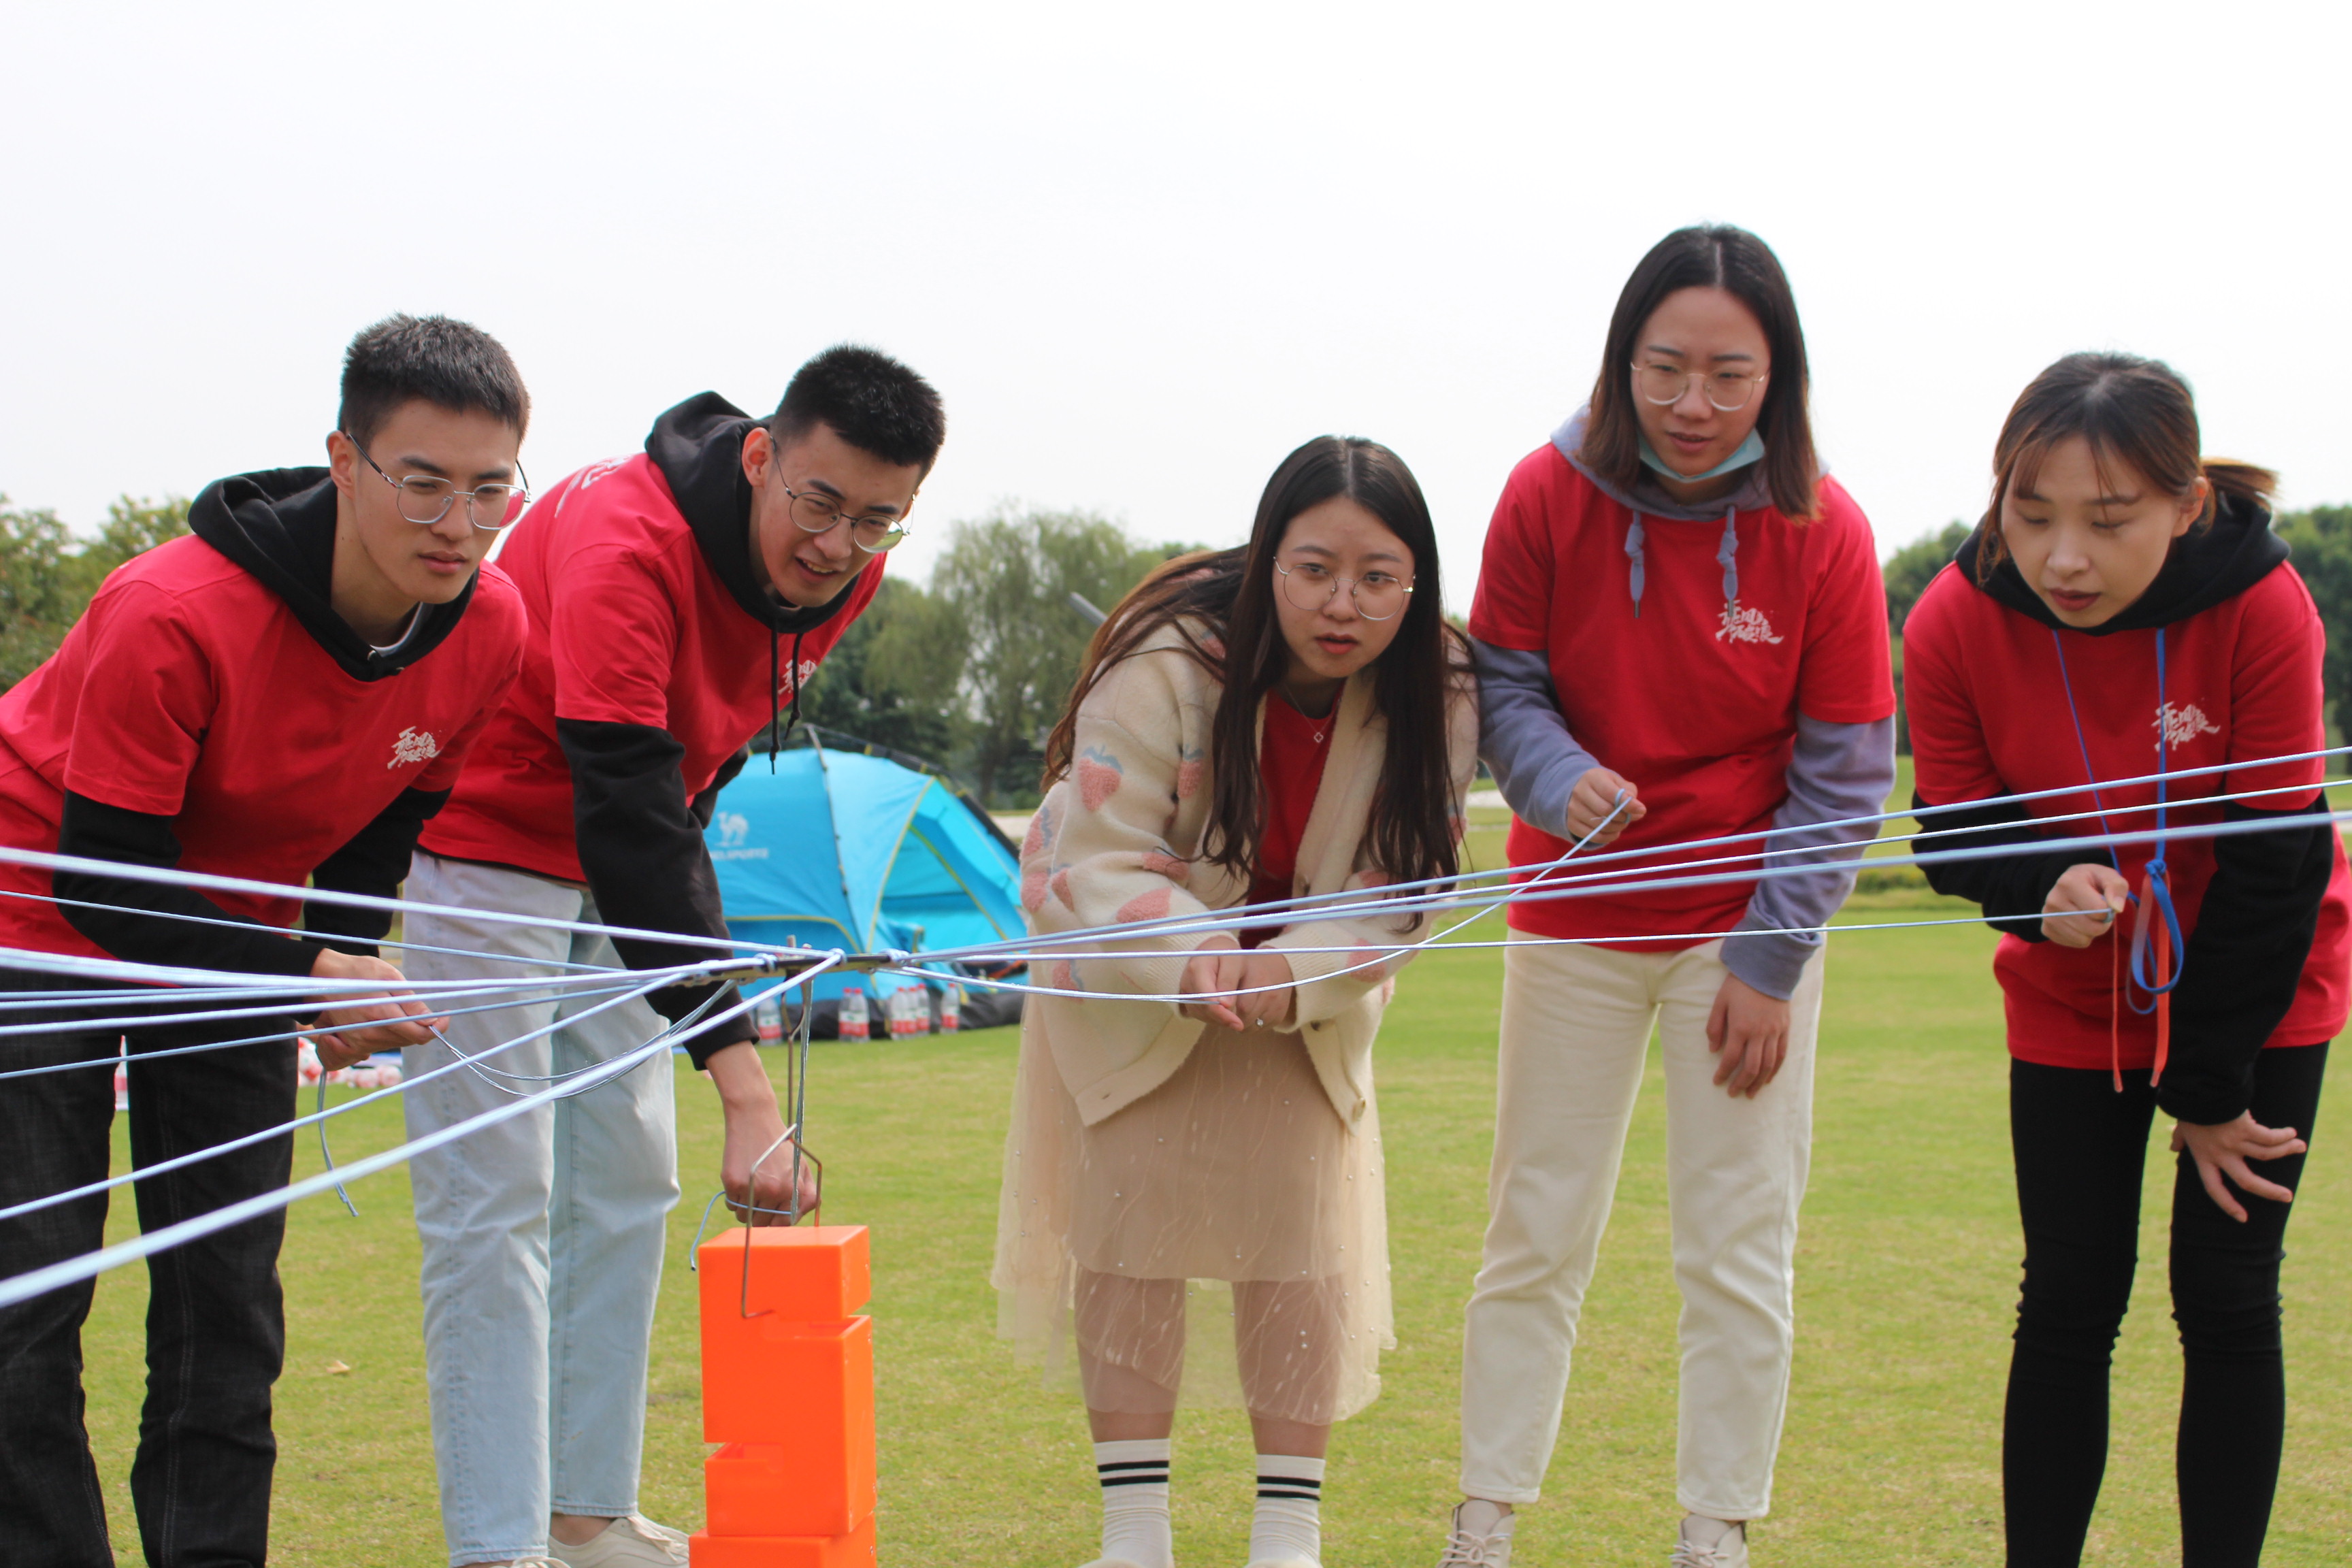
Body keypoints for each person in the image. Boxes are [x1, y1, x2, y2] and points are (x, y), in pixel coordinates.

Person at [0, 314, 533, 1568]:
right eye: (423, 482)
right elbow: (110, 890)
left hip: (234, 937)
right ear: (343, 463)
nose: (457, 523)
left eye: (491, 488)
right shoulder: (170, 611)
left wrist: (341, 973)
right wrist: (309, 977)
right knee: (28, 1305)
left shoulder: (491, 627)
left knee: (227, 1307)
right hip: (38, 925)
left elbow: (370, 836)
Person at [399, 346, 944, 1568]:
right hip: (490, 835)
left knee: (630, 1176)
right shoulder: (619, 543)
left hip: (624, 850)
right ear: (760, 456)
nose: (837, 544)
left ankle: (585, 1517)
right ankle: (500, 1549)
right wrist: (742, 1085)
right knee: (496, 1199)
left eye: (877, 519)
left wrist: (698, 1010)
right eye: (818, 502)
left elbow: (687, 793)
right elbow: (628, 801)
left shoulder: (840, 574)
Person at [1446, 225, 1895, 1568]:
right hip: (1575, 921)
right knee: (1534, 1228)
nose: (1693, 406)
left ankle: (1715, 1533)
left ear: (1780, 377)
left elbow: (1847, 765)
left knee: (1738, 1246)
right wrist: (1556, 774)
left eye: (1729, 376)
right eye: (1665, 370)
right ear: (1621, 361)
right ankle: (1486, 1521)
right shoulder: (1543, 493)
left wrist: (1770, 959)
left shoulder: (1827, 527)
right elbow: (1502, 686)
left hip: (1742, 930)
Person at [994, 436, 1479, 1568]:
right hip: (1133, 991)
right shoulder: (1166, 659)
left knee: (1302, 1244)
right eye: (1313, 569)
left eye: (1378, 577)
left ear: (1418, 582)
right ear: (1268, 564)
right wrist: (1200, 951)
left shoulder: (1442, 690)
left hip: (1303, 1005)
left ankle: (1288, 1534)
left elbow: (1406, 881)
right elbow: (1096, 851)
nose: (1343, 604)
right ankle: (1133, 1534)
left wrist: (1292, 968)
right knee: (1129, 1241)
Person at [1904, 352, 2347, 1565]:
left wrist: (2206, 1089)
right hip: (2072, 996)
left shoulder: (2263, 605)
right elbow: (1953, 826)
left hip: (2263, 992)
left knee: (2226, 1298)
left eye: (2108, 522)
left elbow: (2277, 870)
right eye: (2030, 515)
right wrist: (2034, 888)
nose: (2063, 559)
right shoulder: (1951, 617)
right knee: (2067, 1304)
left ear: (2185, 504)